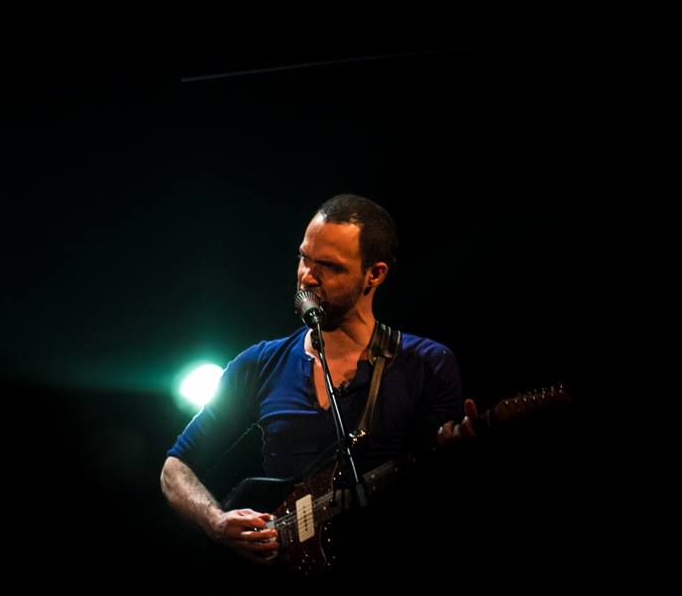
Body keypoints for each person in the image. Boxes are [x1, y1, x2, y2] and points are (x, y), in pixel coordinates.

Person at [160, 194, 478, 568]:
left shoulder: (427, 364)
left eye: (328, 266)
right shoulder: (259, 364)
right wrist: (216, 522)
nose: (307, 277)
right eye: (304, 258)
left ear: (374, 275)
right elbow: (175, 468)